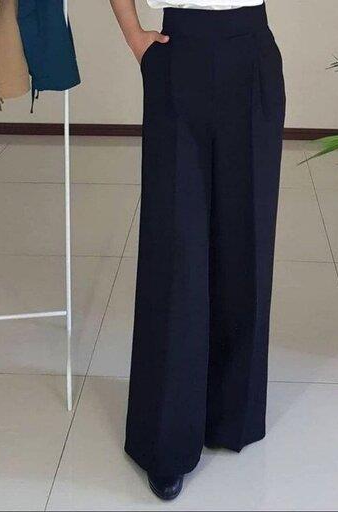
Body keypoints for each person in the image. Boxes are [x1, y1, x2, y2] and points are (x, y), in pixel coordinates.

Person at [110, 0, 285, 501]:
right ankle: (165, 440)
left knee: (246, 236)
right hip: (178, 49)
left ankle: (233, 412)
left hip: (251, 49)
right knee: (176, 250)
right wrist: (133, 36)